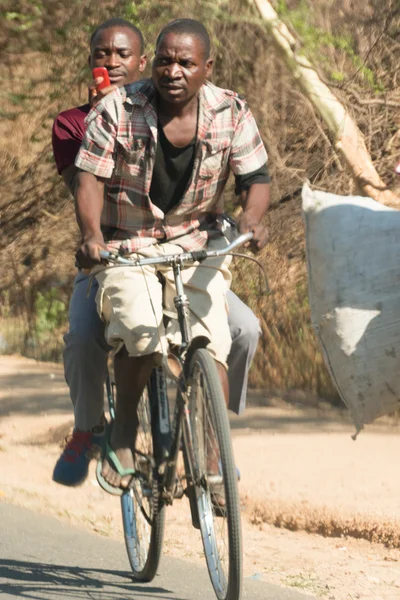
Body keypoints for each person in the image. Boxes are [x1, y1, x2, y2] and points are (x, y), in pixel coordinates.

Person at [51, 18, 263, 487]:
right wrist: (98, 114)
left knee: (243, 329)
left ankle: (214, 435)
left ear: (139, 62)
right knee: (90, 337)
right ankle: (92, 429)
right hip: (115, 249)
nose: (111, 63)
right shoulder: (79, 121)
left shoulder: (223, 111)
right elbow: (83, 181)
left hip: (189, 249)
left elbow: (252, 177)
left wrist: (244, 220)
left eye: (122, 56)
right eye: (101, 55)